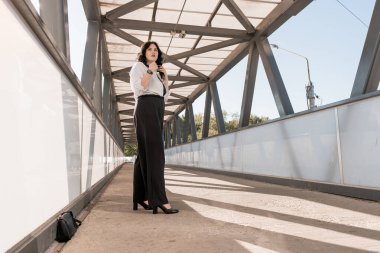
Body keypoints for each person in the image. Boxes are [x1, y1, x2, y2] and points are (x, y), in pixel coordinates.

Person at [129, 41, 179, 214]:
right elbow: (138, 88)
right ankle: (159, 199)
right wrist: (150, 70)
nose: (153, 51)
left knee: (143, 154)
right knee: (156, 154)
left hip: (157, 107)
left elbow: (164, 97)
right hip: (146, 106)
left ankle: (140, 197)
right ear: (144, 53)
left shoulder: (158, 73)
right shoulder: (139, 67)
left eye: (156, 49)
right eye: (149, 49)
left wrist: (164, 78)